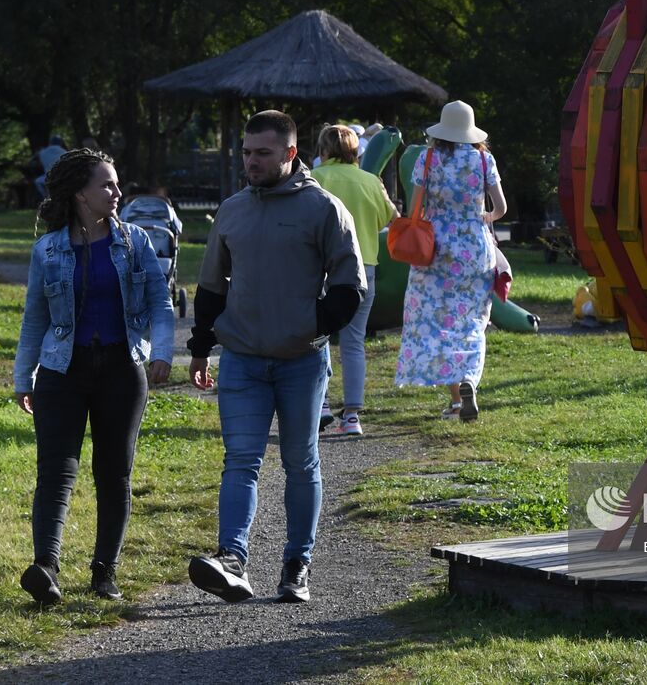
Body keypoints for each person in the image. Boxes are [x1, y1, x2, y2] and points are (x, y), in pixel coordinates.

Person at [186, 110, 366, 604]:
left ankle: (296, 566)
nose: (251, 162)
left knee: (299, 462)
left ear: (290, 153)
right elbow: (209, 286)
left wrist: (309, 327)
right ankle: (232, 560)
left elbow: (350, 287)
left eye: (262, 153)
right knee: (240, 461)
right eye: (246, 152)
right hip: (242, 358)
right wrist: (202, 347)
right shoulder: (233, 210)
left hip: (301, 362)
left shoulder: (324, 209)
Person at [12, 148, 175, 605]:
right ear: (80, 194)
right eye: (106, 184)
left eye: (116, 183)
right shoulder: (47, 249)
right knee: (56, 471)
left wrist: (162, 353)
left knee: (114, 472)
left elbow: (161, 305)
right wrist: (24, 378)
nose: (117, 192)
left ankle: (105, 572)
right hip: (63, 370)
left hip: (122, 370)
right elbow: (34, 319)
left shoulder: (136, 242)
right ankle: (46, 568)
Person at [394, 100, 507, 421]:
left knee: (439, 323)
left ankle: (457, 401)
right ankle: (470, 378)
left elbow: (416, 207)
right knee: (472, 322)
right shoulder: (484, 159)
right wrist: (481, 217)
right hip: (475, 249)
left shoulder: (426, 159)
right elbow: (500, 208)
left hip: (436, 251)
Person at [311, 124, 396, 437]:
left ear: (323, 150)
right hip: (364, 269)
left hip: (321, 269)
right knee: (353, 342)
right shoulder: (370, 181)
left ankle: (320, 404)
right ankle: (352, 416)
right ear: (356, 150)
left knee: (317, 338)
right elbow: (389, 219)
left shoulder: (315, 179)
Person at [34, 135, 66, 199]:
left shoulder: (42, 152)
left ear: (50, 143)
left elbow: (33, 160)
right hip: (63, 177)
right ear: (60, 143)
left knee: (37, 181)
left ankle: (46, 197)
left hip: (49, 177)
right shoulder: (64, 151)